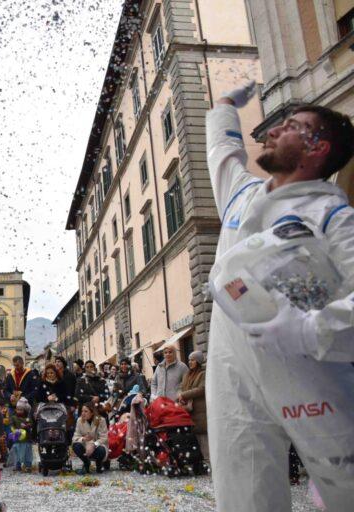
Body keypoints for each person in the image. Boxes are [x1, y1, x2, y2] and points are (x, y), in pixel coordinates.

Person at [206, 81, 354, 511]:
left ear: (317, 148)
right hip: (233, 372)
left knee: (345, 484)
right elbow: (221, 152)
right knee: (243, 489)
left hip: (310, 372)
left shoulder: (333, 216)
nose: (271, 131)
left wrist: (309, 330)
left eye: (290, 126)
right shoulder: (241, 195)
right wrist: (223, 106)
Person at [177, 351, 208, 461]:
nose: (190, 362)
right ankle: (200, 462)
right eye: (189, 360)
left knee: (203, 436)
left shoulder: (203, 374)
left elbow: (202, 389)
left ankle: (208, 461)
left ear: (198, 361)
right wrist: (180, 396)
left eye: (193, 360)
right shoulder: (187, 374)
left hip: (200, 410)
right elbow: (181, 387)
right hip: (189, 410)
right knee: (194, 436)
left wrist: (183, 395)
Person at [72, 403, 109, 475]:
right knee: (75, 445)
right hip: (85, 446)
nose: (83, 413)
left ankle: (99, 464)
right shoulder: (79, 420)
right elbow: (75, 437)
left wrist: (94, 445)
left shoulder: (101, 420)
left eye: (86, 411)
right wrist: (83, 439)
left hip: (98, 446)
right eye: (82, 411)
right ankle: (86, 464)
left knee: (101, 450)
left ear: (92, 412)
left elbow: (104, 437)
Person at [8, 398, 33, 472]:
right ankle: (17, 465)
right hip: (17, 439)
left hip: (27, 439)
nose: (18, 411)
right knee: (17, 452)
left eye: (21, 410)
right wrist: (15, 430)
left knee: (27, 453)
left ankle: (28, 465)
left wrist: (26, 426)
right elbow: (11, 425)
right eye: (17, 409)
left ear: (25, 410)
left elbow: (31, 424)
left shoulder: (27, 418)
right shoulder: (13, 417)